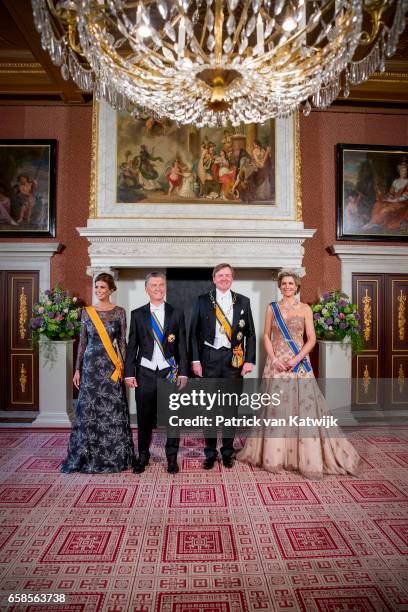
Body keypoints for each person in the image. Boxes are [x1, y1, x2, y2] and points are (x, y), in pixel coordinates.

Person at [237, 270, 362, 479]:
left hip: (298, 363)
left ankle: (302, 456)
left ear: (297, 287)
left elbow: (311, 338)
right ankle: (275, 456)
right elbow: (266, 335)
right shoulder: (272, 308)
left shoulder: (305, 308)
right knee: (276, 409)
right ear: (280, 286)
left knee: (302, 408)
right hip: (276, 364)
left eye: (291, 284)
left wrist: (296, 359)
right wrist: (274, 359)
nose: (287, 286)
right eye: (284, 283)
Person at [61, 273, 136, 473]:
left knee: (112, 410)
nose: (99, 291)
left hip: (111, 367)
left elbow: (122, 343)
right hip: (91, 367)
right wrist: (77, 369)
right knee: (89, 410)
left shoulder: (120, 312)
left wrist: (127, 369)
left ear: (111, 290)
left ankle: (114, 456)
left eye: (103, 287)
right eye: (97, 287)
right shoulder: (87, 312)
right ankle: (86, 455)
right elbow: (82, 342)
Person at [189, 263, 256, 469]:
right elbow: (193, 333)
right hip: (208, 358)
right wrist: (195, 360)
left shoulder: (243, 301)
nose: (224, 278)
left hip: (233, 360)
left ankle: (227, 452)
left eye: (227, 275)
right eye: (220, 275)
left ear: (232, 278)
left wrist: (249, 360)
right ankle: (210, 453)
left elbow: (250, 334)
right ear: (214, 278)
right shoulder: (202, 300)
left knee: (230, 408)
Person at [124, 272, 188, 474]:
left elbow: (182, 346)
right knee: (143, 417)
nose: (158, 288)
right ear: (147, 289)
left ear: (165, 287)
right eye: (154, 285)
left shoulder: (176, 313)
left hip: (169, 372)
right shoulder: (137, 314)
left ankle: (171, 457)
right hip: (145, 373)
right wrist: (129, 373)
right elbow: (131, 346)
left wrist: (184, 373)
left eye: (161, 285)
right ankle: (143, 455)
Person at [362, 161, 408, 230]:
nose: (404, 172)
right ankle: (374, 223)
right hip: (393, 200)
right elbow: (391, 192)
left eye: (405, 171)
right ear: (399, 171)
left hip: (402, 203)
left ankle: (371, 223)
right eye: (402, 170)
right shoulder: (395, 181)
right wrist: (388, 197)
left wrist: (393, 200)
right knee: (378, 204)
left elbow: (405, 196)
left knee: (386, 209)